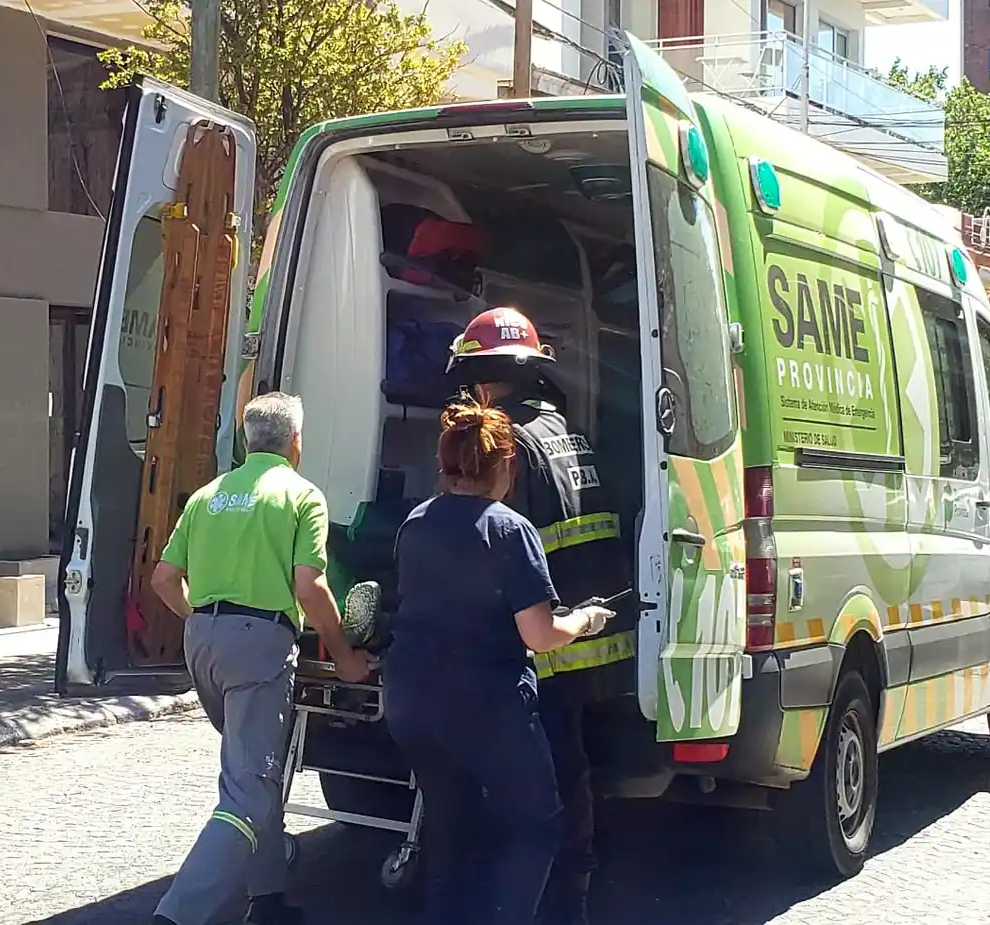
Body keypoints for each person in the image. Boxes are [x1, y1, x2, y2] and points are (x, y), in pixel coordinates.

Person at [150, 392, 375, 925]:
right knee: (248, 789)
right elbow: (310, 586)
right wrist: (343, 655)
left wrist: (205, 624)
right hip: (259, 642)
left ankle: (268, 896)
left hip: (202, 638)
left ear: (247, 439)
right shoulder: (300, 495)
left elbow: (163, 579)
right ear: (296, 442)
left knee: (254, 767)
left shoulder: (207, 496)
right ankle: (175, 916)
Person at [385, 399, 612, 925]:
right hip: (485, 706)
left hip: (413, 701)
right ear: (505, 466)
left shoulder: (414, 523)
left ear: (444, 466)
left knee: (450, 825)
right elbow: (539, 634)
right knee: (536, 824)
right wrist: (584, 620)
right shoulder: (510, 530)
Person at [446, 305, 635, 925]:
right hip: (582, 633)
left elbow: (489, 544)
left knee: (531, 786)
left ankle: (538, 898)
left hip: (537, 645)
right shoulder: (566, 430)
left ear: (481, 381)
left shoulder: (509, 446)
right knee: (569, 766)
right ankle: (571, 895)